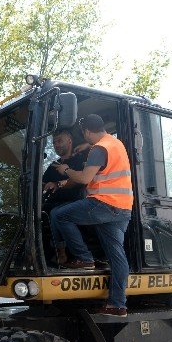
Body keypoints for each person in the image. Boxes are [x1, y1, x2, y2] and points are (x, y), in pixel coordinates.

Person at [50, 114, 133, 317]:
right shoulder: (115, 143)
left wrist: (66, 169)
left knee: (59, 215)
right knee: (117, 255)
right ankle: (117, 305)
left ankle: (84, 258)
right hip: (123, 208)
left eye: (84, 136)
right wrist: (87, 148)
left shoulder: (99, 149)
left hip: (103, 204)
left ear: (87, 132)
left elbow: (85, 178)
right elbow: (106, 160)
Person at [42, 129, 90, 209]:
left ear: (69, 141)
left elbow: (79, 180)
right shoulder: (53, 166)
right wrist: (45, 185)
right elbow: (42, 183)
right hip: (50, 206)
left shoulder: (80, 160)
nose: (56, 145)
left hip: (73, 206)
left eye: (60, 141)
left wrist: (57, 184)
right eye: (54, 142)